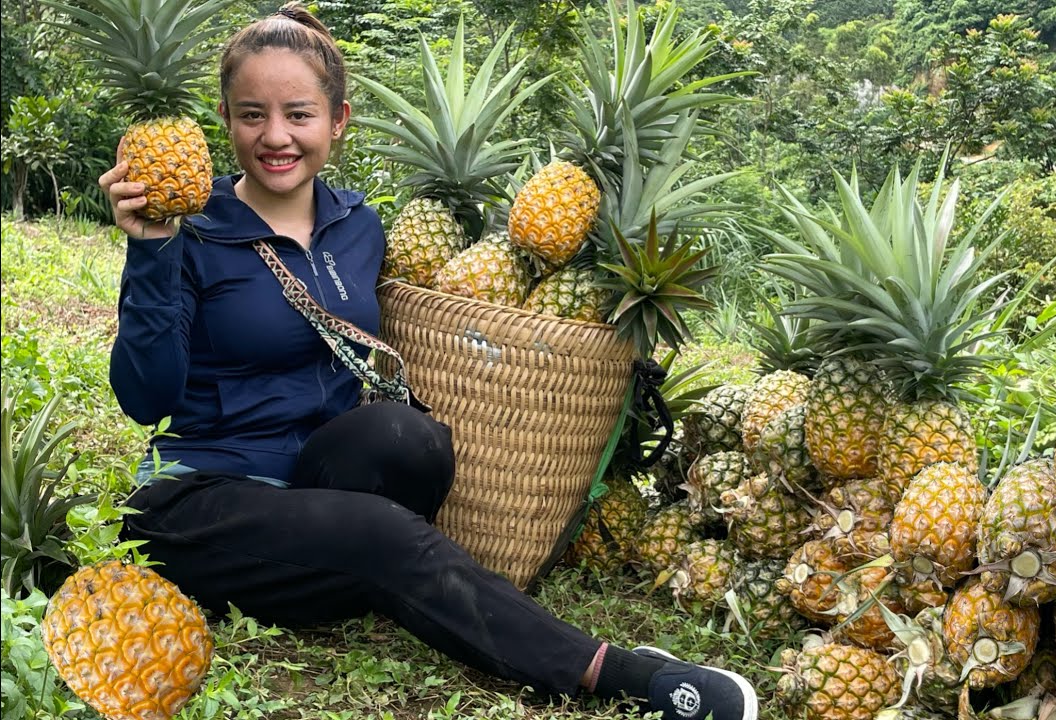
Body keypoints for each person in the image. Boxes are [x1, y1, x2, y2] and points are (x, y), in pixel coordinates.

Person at [100, 4, 757, 720]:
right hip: (203, 495)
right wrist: (150, 249)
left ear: (338, 119)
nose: (276, 137)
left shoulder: (358, 224)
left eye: (299, 114)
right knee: (382, 536)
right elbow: (145, 397)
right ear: (225, 118)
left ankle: (349, 562)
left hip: (313, 479)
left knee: (413, 439)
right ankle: (617, 673)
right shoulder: (189, 230)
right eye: (252, 115)